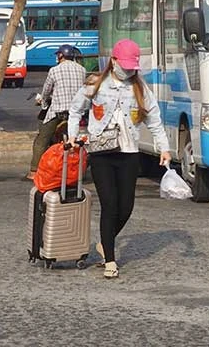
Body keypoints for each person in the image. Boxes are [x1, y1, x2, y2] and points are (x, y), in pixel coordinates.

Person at [67, 38, 171, 279]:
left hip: (129, 152)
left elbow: (155, 121)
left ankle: (105, 242)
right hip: (101, 153)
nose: (128, 71)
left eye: (131, 67)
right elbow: (75, 110)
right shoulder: (95, 84)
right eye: (124, 66)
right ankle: (110, 260)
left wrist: (164, 148)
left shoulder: (141, 88)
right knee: (110, 204)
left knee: (126, 207)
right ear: (113, 61)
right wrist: (72, 136)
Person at [25, 44, 87, 181]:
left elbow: (46, 90)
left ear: (60, 55)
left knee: (41, 139)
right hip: (77, 111)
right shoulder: (82, 70)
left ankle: (34, 171)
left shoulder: (54, 70)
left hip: (58, 111)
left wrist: (43, 101)